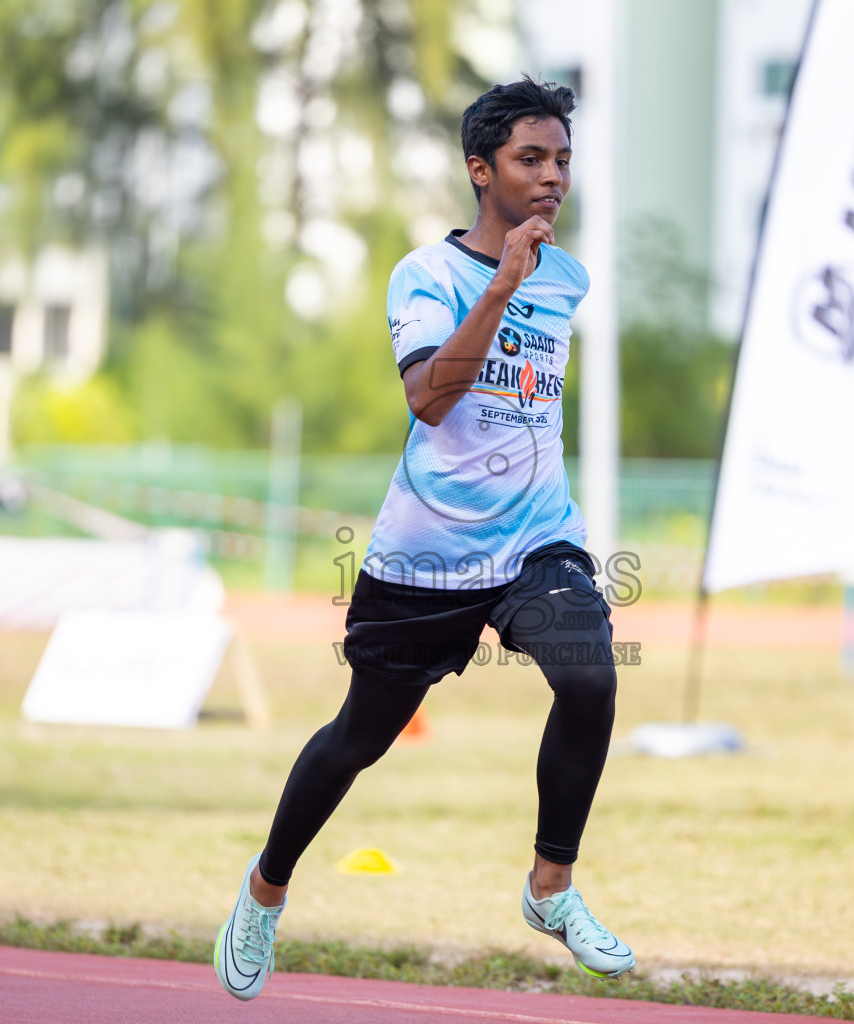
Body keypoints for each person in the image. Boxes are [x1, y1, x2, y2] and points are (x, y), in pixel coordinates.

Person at [214, 76, 634, 1003]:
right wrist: (502, 286)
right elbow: (429, 400)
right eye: (532, 159)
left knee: (590, 677)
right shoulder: (425, 276)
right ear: (481, 170)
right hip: (427, 553)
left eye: (562, 160)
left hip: (538, 539)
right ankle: (265, 889)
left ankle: (550, 888)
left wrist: (527, 281)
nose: (553, 177)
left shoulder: (569, 278)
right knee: (358, 738)